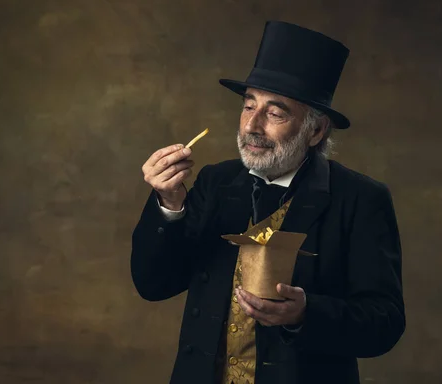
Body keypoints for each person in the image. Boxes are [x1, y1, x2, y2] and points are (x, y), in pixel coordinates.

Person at [131, 21, 405, 384]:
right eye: (248, 106)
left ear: (316, 130)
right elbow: (154, 285)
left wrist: (307, 313)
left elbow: (385, 322)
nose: (252, 126)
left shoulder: (360, 199)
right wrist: (170, 205)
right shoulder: (216, 182)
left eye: (275, 113)